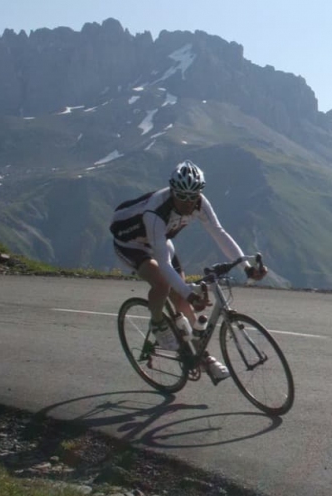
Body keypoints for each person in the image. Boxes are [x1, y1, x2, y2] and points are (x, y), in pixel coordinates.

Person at [109, 160, 267, 382]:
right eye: (181, 196)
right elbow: (163, 264)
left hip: (161, 241)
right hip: (131, 244)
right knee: (163, 284)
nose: (187, 202)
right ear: (172, 190)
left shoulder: (199, 203)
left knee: (183, 302)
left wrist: (246, 267)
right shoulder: (155, 211)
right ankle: (157, 324)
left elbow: (219, 233)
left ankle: (201, 356)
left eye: (192, 197)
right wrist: (187, 291)